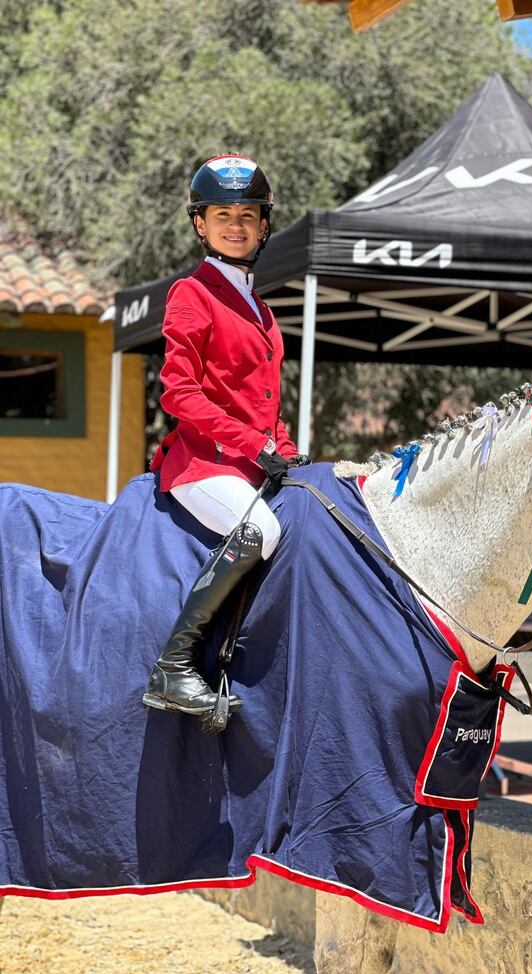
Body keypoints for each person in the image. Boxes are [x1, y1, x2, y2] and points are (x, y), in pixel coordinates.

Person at [143, 153, 307, 719]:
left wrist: (285, 450)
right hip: (204, 464)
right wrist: (250, 444)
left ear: (264, 225)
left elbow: (263, 403)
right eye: (221, 215)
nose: (234, 225)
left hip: (250, 461)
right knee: (259, 529)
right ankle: (174, 665)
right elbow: (179, 394)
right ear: (200, 224)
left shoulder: (261, 308)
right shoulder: (191, 293)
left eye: (246, 214)